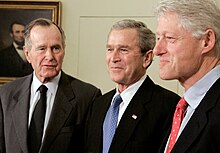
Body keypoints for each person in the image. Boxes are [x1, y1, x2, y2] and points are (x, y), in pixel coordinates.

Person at [0, 18, 101, 153]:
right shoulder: (5, 94)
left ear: (63, 51)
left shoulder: (88, 96)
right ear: (28, 54)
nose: (49, 56)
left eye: (56, 48)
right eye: (42, 48)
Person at [84, 19, 180, 153]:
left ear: (147, 58)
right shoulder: (98, 105)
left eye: (123, 50)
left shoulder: (169, 105)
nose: (114, 58)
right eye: (110, 49)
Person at [153, 0, 220, 152]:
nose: (157, 50)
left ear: (207, 41)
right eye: (158, 38)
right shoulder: (182, 108)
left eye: (170, 38)